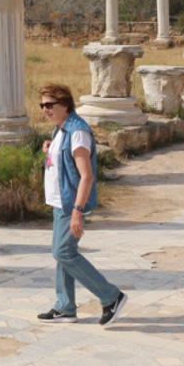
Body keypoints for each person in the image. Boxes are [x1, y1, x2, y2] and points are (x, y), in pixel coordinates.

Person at [35, 83, 126, 325]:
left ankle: (111, 296)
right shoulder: (61, 130)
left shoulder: (78, 132)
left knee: (63, 252)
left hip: (69, 205)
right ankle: (65, 306)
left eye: (49, 104)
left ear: (64, 104)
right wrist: (50, 148)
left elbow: (86, 176)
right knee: (64, 255)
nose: (45, 109)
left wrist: (77, 211)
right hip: (59, 203)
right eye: (42, 105)